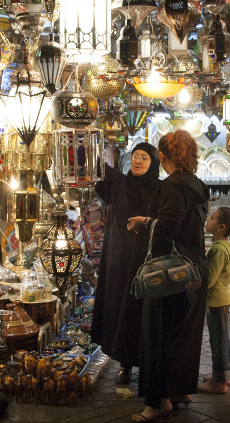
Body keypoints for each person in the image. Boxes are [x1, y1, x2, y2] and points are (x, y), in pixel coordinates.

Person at [127, 130, 210, 422]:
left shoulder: (172, 186)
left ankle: (159, 402)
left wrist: (145, 222)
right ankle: (180, 391)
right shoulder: (197, 184)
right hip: (196, 269)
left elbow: (168, 228)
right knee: (183, 336)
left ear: (162, 157)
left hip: (171, 274)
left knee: (159, 335)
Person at [91, 143, 162, 385]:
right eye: (134, 156)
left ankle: (147, 366)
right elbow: (97, 165)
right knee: (121, 312)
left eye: (144, 157)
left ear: (154, 163)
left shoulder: (161, 189)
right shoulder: (118, 184)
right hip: (119, 262)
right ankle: (125, 365)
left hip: (147, 261)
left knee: (144, 314)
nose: (138, 161)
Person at [198, 207, 230, 394]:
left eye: (211, 218)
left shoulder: (218, 249)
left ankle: (218, 382)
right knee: (223, 337)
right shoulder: (227, 245)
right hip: (224, 298)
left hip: (216, 301)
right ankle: (225, 374)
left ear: (221, 227)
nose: (207, 220)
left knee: (217, 341)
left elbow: (210, 279)